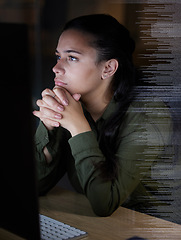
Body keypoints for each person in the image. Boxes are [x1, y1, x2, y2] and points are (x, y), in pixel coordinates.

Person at [33, 14, 174, 220]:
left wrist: (78, 126)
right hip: (103, 224)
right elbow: (35, 186)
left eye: (72, 58)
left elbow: (104, 203)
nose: (56, 68)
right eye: (58, 56)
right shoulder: (71, 105)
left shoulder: (149, 117)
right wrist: (48, 126)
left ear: (108, 68)